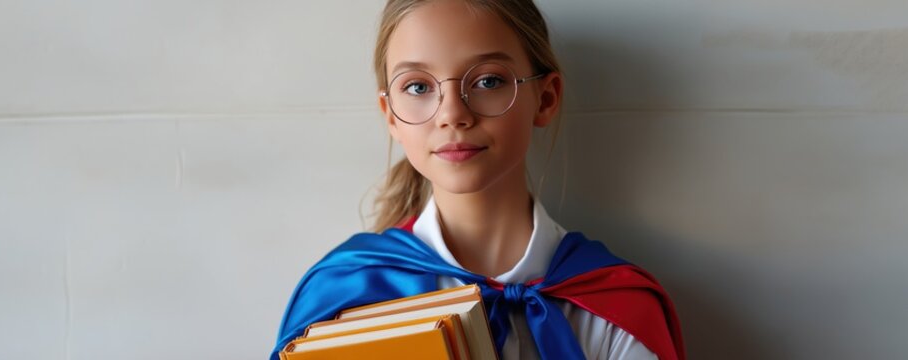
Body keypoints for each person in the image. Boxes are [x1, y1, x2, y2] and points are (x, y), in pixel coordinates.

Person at [271, 0, 685, 359]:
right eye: (417, 86)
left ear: (545, 98)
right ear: (390, 115)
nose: (452, 113)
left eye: (488, 81)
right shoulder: (344, 300)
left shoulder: (616, 309)